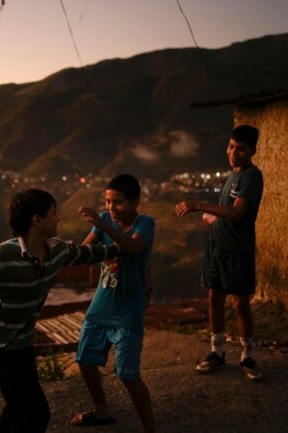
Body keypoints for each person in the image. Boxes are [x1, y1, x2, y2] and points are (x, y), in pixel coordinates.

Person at [0, 188, 121, 433]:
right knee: (37, 412)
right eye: (53, 214)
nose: (58, 218)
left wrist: (123, 246)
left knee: (18, 406)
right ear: (37, 220)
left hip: (23, 343)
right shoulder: (4, 255)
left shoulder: (58, 251)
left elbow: (89, 254)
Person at [174, 124, 264, 381]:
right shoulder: (233, 176)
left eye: (241, 149)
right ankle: (217, 353)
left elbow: (238, 212)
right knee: (214, 296)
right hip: (217, 247)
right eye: (231, 146)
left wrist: (200, 206)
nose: (234, 153)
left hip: (237, 250)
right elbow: (229, 212)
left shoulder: (251, 176)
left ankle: (247, 355)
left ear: (252, 151)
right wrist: (213, 220)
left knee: (239, 302)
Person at [71, 174, 156, 433]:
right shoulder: (105, 220)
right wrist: (65, 250)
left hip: (128, 311)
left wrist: (102, 224)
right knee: (85, 360)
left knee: (128, 375)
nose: (111, 208)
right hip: (101, 305)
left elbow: (131, 246)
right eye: (107, 202)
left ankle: (149, 429)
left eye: (118, 202)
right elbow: (86, 250)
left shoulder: (145, 223)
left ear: (135, 202)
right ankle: (102, 410)